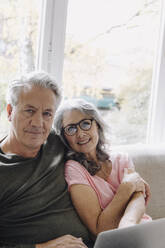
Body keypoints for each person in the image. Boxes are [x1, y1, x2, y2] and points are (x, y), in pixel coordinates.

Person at [0, 72, 94, 248]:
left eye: (47, 114)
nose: (38, 123)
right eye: (30, 111)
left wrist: (131, 183)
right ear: (10, 112)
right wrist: (43, 247)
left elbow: (98, 157)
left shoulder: (58, 142)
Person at [54, 98, 152, 238]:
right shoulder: (73, 169)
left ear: (97, 125)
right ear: (64, 137)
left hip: (140, 231)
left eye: (86, 124)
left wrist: (128, 224)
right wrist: (125, 188)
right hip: (114, 241)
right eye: (71, 128)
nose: (80, 133)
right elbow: (99, 229)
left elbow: (138, 197)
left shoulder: (121, 158)